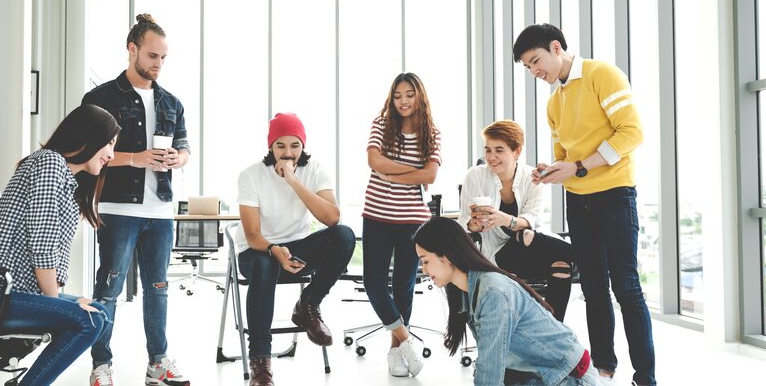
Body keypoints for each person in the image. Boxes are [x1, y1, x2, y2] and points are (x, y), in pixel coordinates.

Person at [513, 23, 655, 386]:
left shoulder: (601, 74)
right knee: (592, 287)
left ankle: (645, 377)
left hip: (615, 195)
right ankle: (604, 368)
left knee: (625, 285)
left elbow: (632, 132)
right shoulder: (554, 102)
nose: (535, 71)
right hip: (579, 200)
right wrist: (551, 169)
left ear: (556, 48)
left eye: (536, 61)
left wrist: (577, 166)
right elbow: (566, 155)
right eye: (528, 67)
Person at [0, 104, 120, 386]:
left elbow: (52, 252)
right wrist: (57, 302)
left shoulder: (64, 177)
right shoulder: (50, 163)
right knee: (90, 321)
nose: (111, 154)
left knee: (100, 314)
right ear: (88, 136)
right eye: (108, 143)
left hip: (0, 293)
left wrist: (60, 299)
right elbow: (43, 245)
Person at [81, 14, 192, 386]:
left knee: (158, 289)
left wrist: (180, 158)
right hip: (117, 208)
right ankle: (101, 365)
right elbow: (87, 152)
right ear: (132, 50)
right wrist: (136, 157)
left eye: (163, 57)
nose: (158, 63)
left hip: (160, 210)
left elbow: (184, 145)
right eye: (152, 55)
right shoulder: (99, 98)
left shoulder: (171, 103)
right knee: (109, 288)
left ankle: (157, 363)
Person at [235, 112, 355, 386]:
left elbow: (331, 218)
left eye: (295, 146)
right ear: (270, 146)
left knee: (344, 235)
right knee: (265, 262)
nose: (288, 153)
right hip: (258, 253)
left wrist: (293, 180)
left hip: (297, 252)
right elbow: (253, 235)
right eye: (281, 146)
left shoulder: (315, 170)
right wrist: (274, 249)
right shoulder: (251, 175)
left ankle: (309, 304)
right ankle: (261, 361)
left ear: (303, 145)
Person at [414, 217, 600, 386]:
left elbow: (490, 373)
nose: (423, 269)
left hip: (569, 377)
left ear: (446, 256)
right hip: (538, 376)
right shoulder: (466, 289)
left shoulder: (492, 292)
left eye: (425, 261)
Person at [362, 72, 441, 377]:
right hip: (377, 214)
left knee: (404, 288)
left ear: (419, 95)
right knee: (374, 283)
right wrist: (414, 171)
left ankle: (394, 352)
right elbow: (374, 162)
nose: (403, 101)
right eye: (398, 95)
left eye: (409, 94)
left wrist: (392, 174)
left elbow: (430, 176)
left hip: (412, 219)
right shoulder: (381, 124)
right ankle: (405, 342)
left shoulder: (431, 133)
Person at [457, 120, 574, 321]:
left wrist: (507, 220)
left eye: (499, 150)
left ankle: (554, 328)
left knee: (557, 261)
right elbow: (464, 221)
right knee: (528, 236)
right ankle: (582, 256)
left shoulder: (532, 177)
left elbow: (531, 217)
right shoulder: (475, 175)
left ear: (517, 151)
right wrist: (473, 225)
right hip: (498, 255)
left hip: (528, 251)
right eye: (488, 150)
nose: (491, 157)